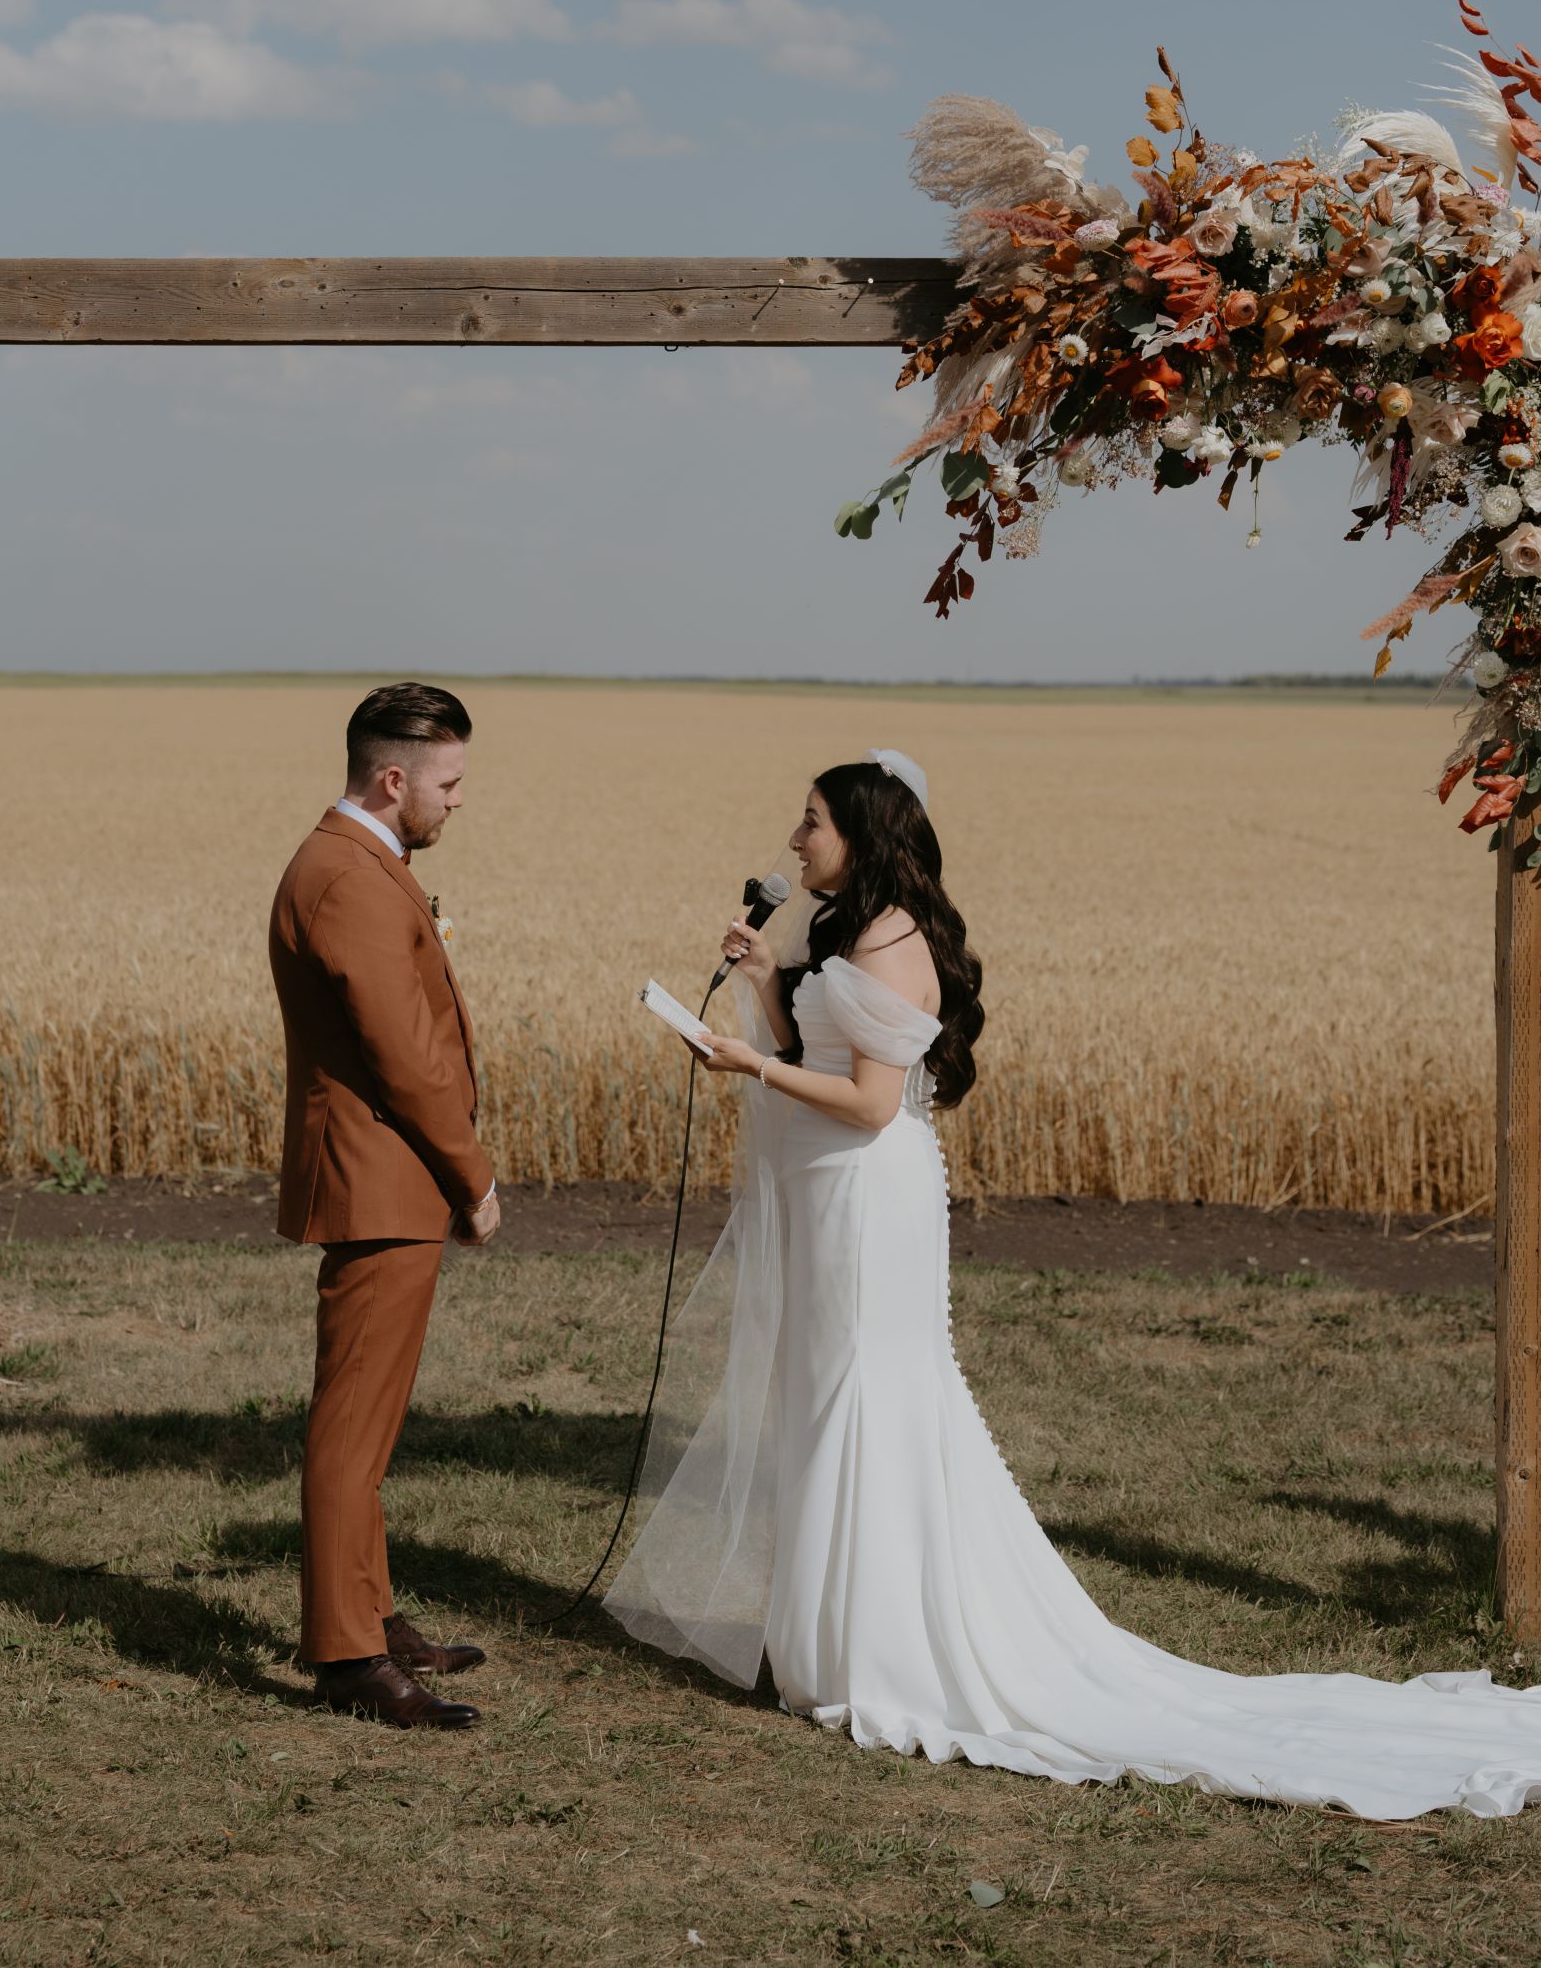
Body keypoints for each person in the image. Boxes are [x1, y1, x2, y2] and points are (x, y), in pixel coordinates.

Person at [605, 748, 1541, 1819]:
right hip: (832, 1196)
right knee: (823, 1396)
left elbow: (868, 1105)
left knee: (867, 1393)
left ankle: (884, 1649)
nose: (795, 835)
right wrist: (768, 991)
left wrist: (746, 1065)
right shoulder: (842, 933)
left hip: (867, 1199)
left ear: (861, 834)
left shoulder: (892, 938)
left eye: (812, 820)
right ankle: (829, 1637)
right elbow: (827, 1050)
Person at [270, 681, 500, 1730]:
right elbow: (404, 1055)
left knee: (368, 1422)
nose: (458, 803)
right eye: (448, 783)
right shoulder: (350, 877)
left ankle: (369, 1615)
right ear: (394, 776)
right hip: (383, 1178)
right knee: (352, 1430)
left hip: (386, 1178)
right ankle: (351, 1659)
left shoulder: (359, 863)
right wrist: (474, 1174)